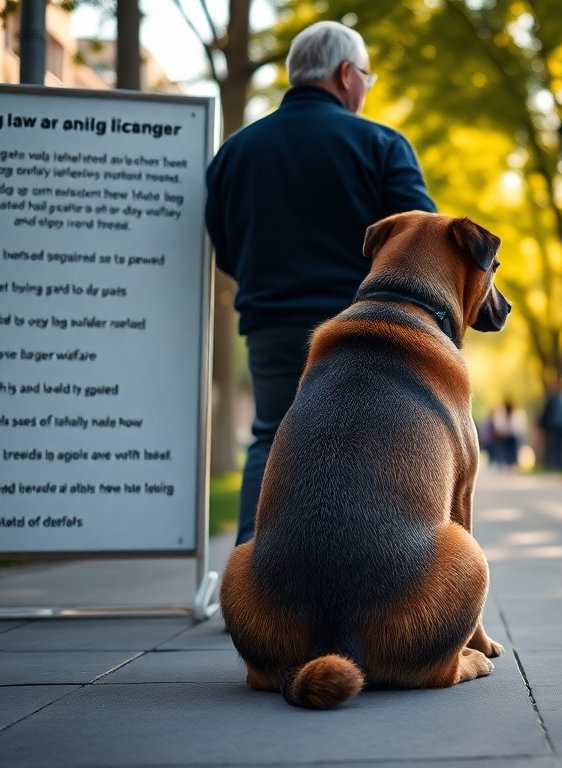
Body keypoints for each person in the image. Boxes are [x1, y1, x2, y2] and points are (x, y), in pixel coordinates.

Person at [205, 20, 437, 545]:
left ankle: (252, 592)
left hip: (271, 323)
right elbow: (423, 241)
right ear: (346, 73)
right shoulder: (380, 145)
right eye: (366, 78)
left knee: (270, 437)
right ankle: (363, 590)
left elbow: (225, 245)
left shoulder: (235, 154)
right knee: (371, 446)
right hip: (362, 329)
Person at [538, 379, 562, 471]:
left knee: (561, 447)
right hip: (553, 427)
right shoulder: (552, 399)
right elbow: (545, 413)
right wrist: (541, 427)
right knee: (552, 446)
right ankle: (551, 465)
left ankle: (560, 465)